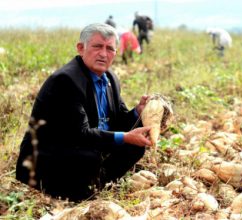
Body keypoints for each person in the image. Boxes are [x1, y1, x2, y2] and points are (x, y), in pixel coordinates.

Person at [15, 23, 153, 202]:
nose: (103, 54)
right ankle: (77, 194)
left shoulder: (110, 78)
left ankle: (98, 185)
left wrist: (137, 112)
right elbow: (80, 134)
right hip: (48, 155)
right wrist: (125, 137)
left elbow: (119, 119)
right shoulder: (66, 81)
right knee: (90, 158)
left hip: (87, 147)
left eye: (110, 48)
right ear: (81, 48)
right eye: (97, 46)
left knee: (135, 146)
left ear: (115, 53)